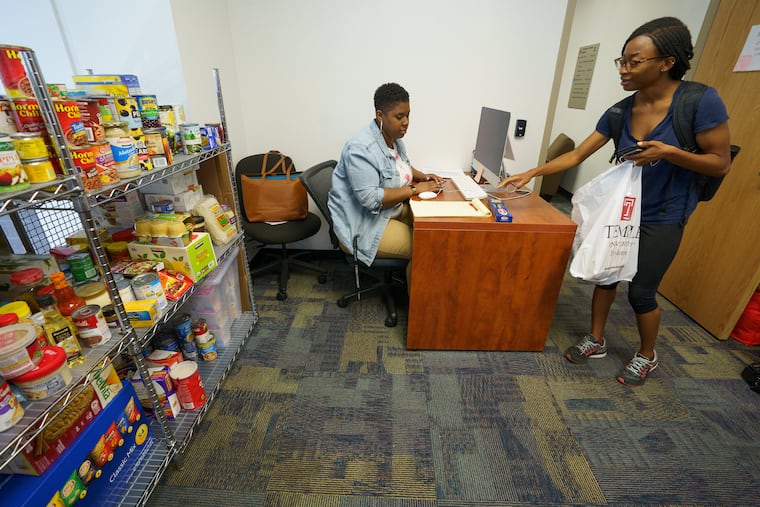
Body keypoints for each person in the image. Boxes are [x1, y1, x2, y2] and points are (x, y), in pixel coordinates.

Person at [499, 17, 731, 386]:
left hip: (664, 214)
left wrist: (670, 153)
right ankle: (596, 338)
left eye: (633, 62)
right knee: (605, 276)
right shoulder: (620, 111)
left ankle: (646, 355)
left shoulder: (699, 102)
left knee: (641, 291)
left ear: (667, 63)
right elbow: (575, 155)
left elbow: (720, 162)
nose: (623, 70)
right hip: (622, 210)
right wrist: (532, 172)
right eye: (621, 61)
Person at [328, 83, 442, 276]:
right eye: (399, 116)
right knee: (426, 246)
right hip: (366, 225)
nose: (406, 122)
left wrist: (421, 175)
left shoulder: (393, 137)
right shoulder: (361, 149)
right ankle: (416, 304)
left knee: (438, 229)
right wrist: (415, 189)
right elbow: (371, 199)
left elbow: (398, 167)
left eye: (408, 115)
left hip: (390, 211)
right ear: (380, 116)